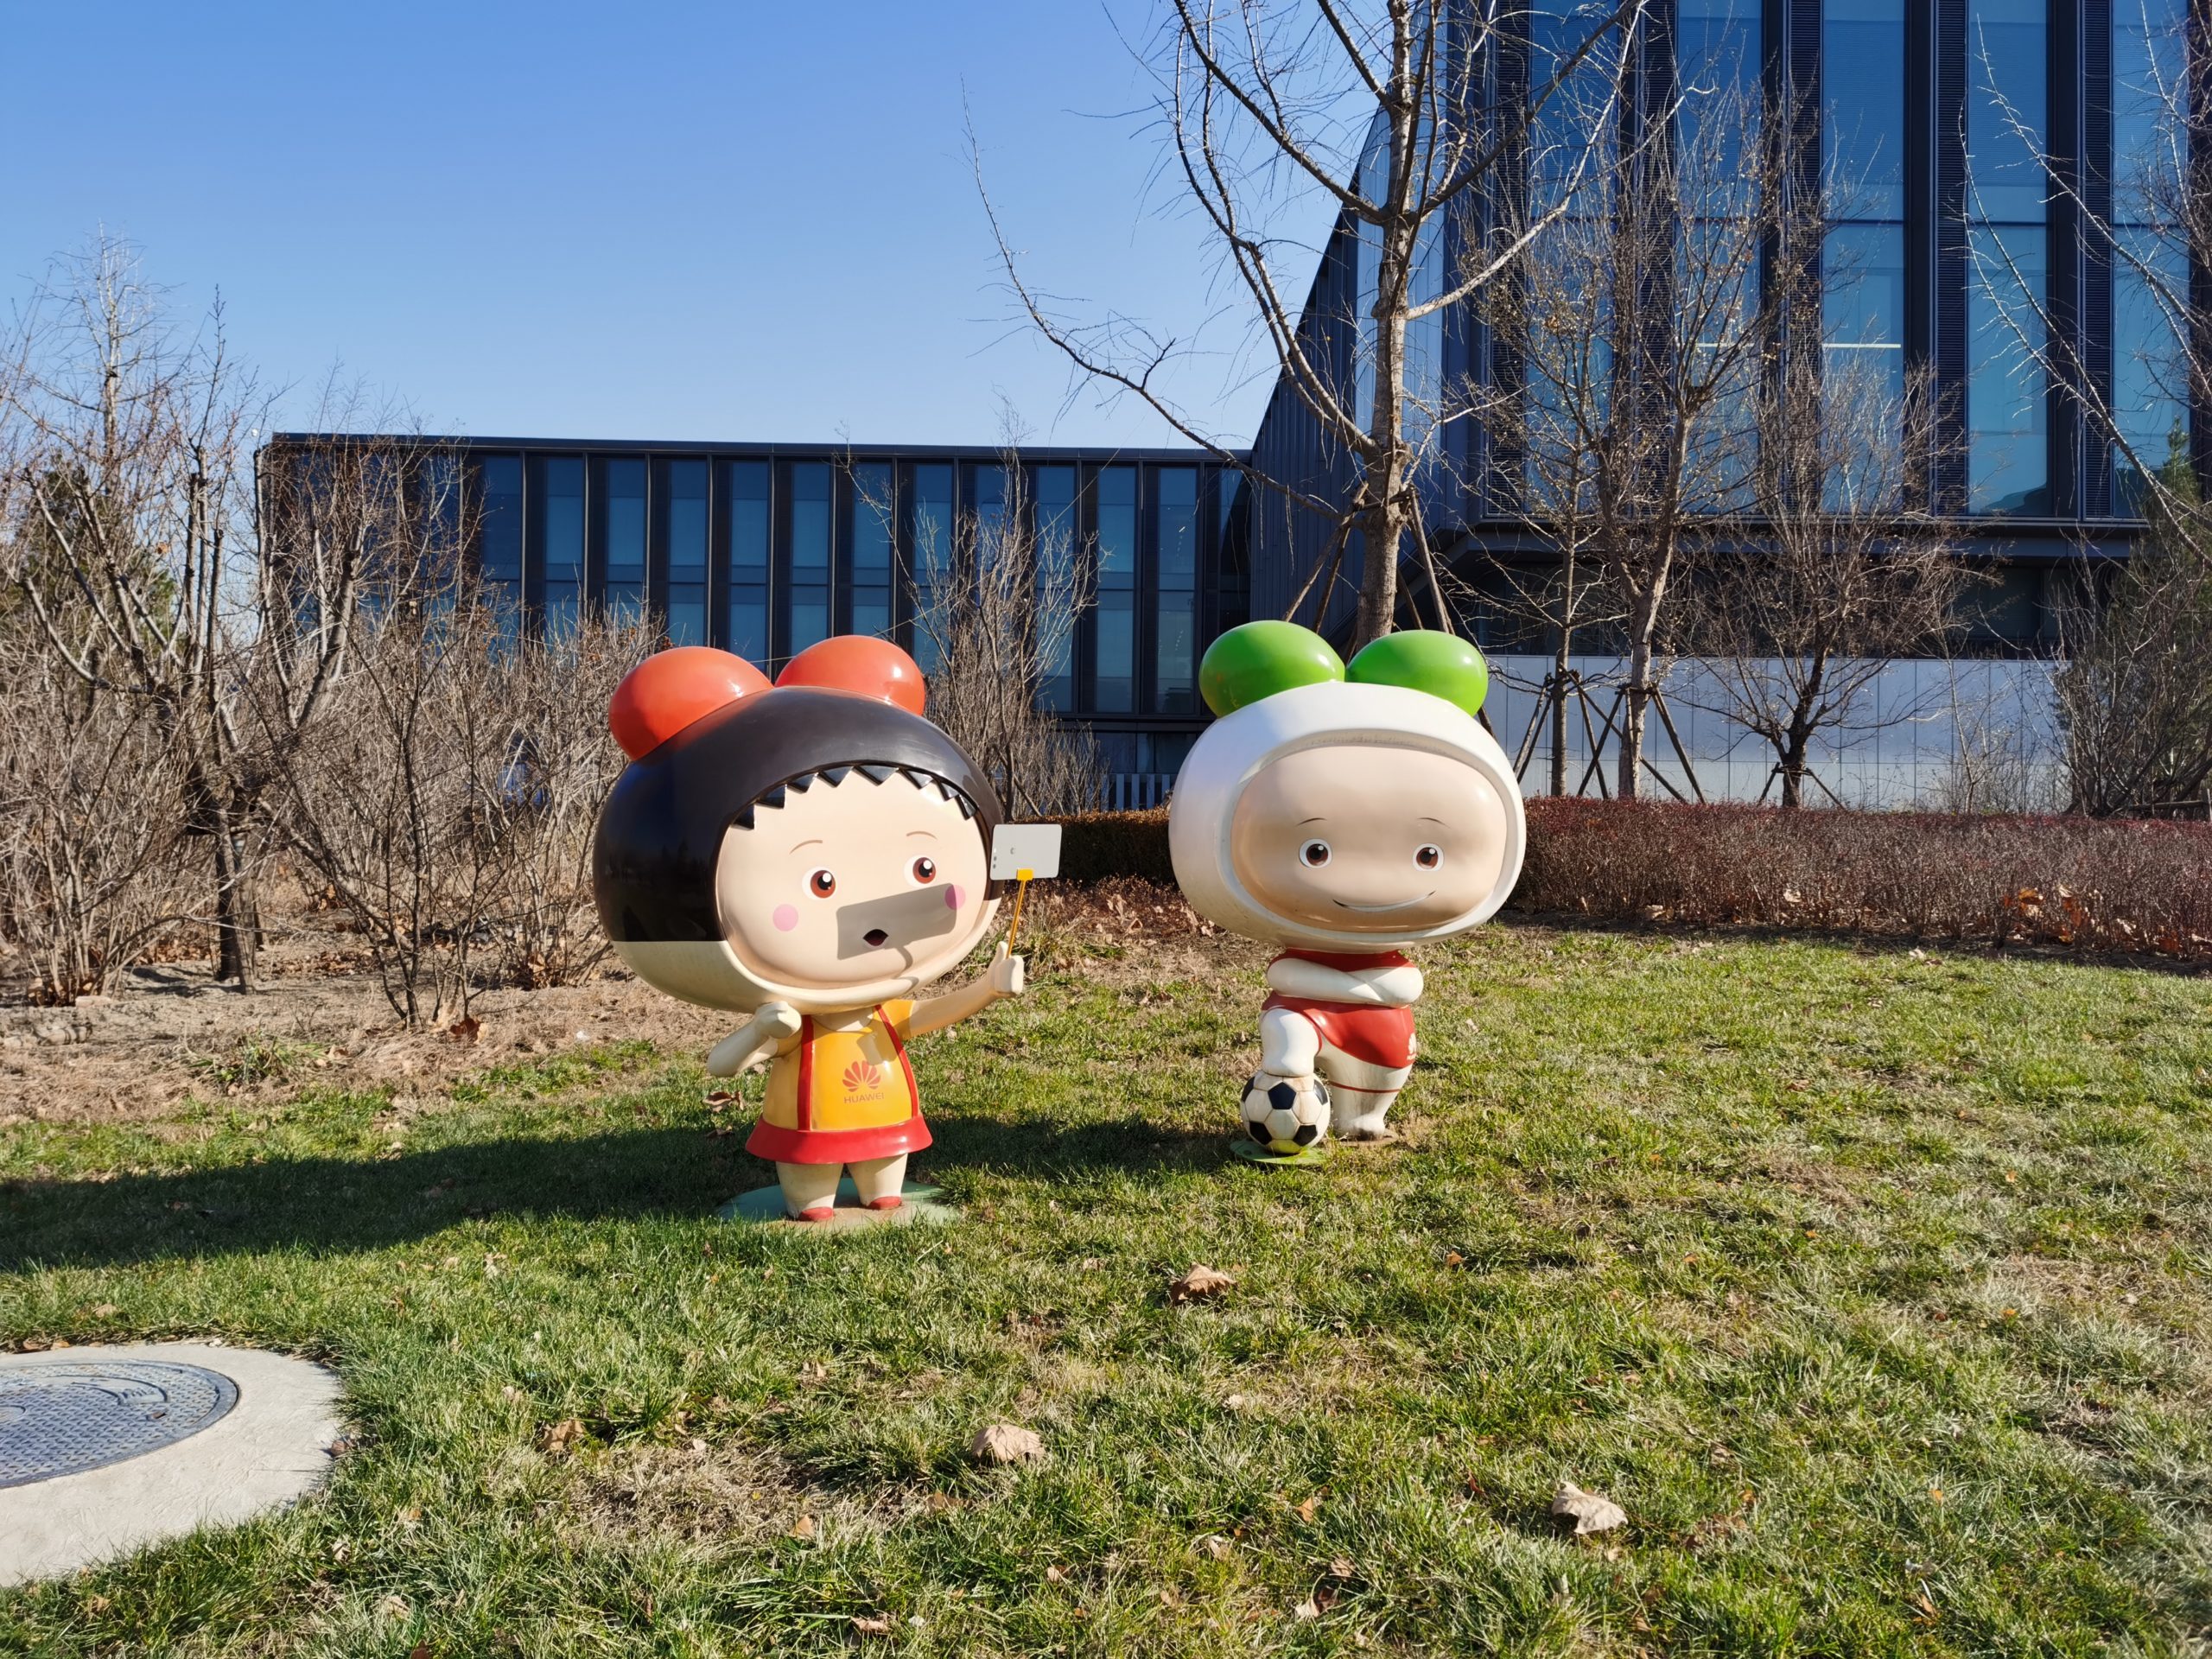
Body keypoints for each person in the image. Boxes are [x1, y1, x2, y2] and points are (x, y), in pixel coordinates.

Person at [593, 636, 1022, 1220]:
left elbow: (922, 1016)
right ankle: (811, 1199)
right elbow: (724, 1065)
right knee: (811, 1183)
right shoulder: (797, 1024)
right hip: (807, 1124)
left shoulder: (883, 1010)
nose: (878, 914)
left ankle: (880, 1189)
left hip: (887, 1119)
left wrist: (988, 987)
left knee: (885, 1181)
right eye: (821, 882)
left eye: (925, 869)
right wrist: (762, 1029)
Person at [1169, 623, 1525, 1150]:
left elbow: (1402, 987)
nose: (1373, 885)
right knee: (1287, 1025)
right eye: (1316, 852)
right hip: (1304, 1008)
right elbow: (1301, 976)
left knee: (1377, 1080)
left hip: (1381, 1031)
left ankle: (1362, 1117)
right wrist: (1354, 988)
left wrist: (1344, 986)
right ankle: (1291, 1075)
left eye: (1428, 856)